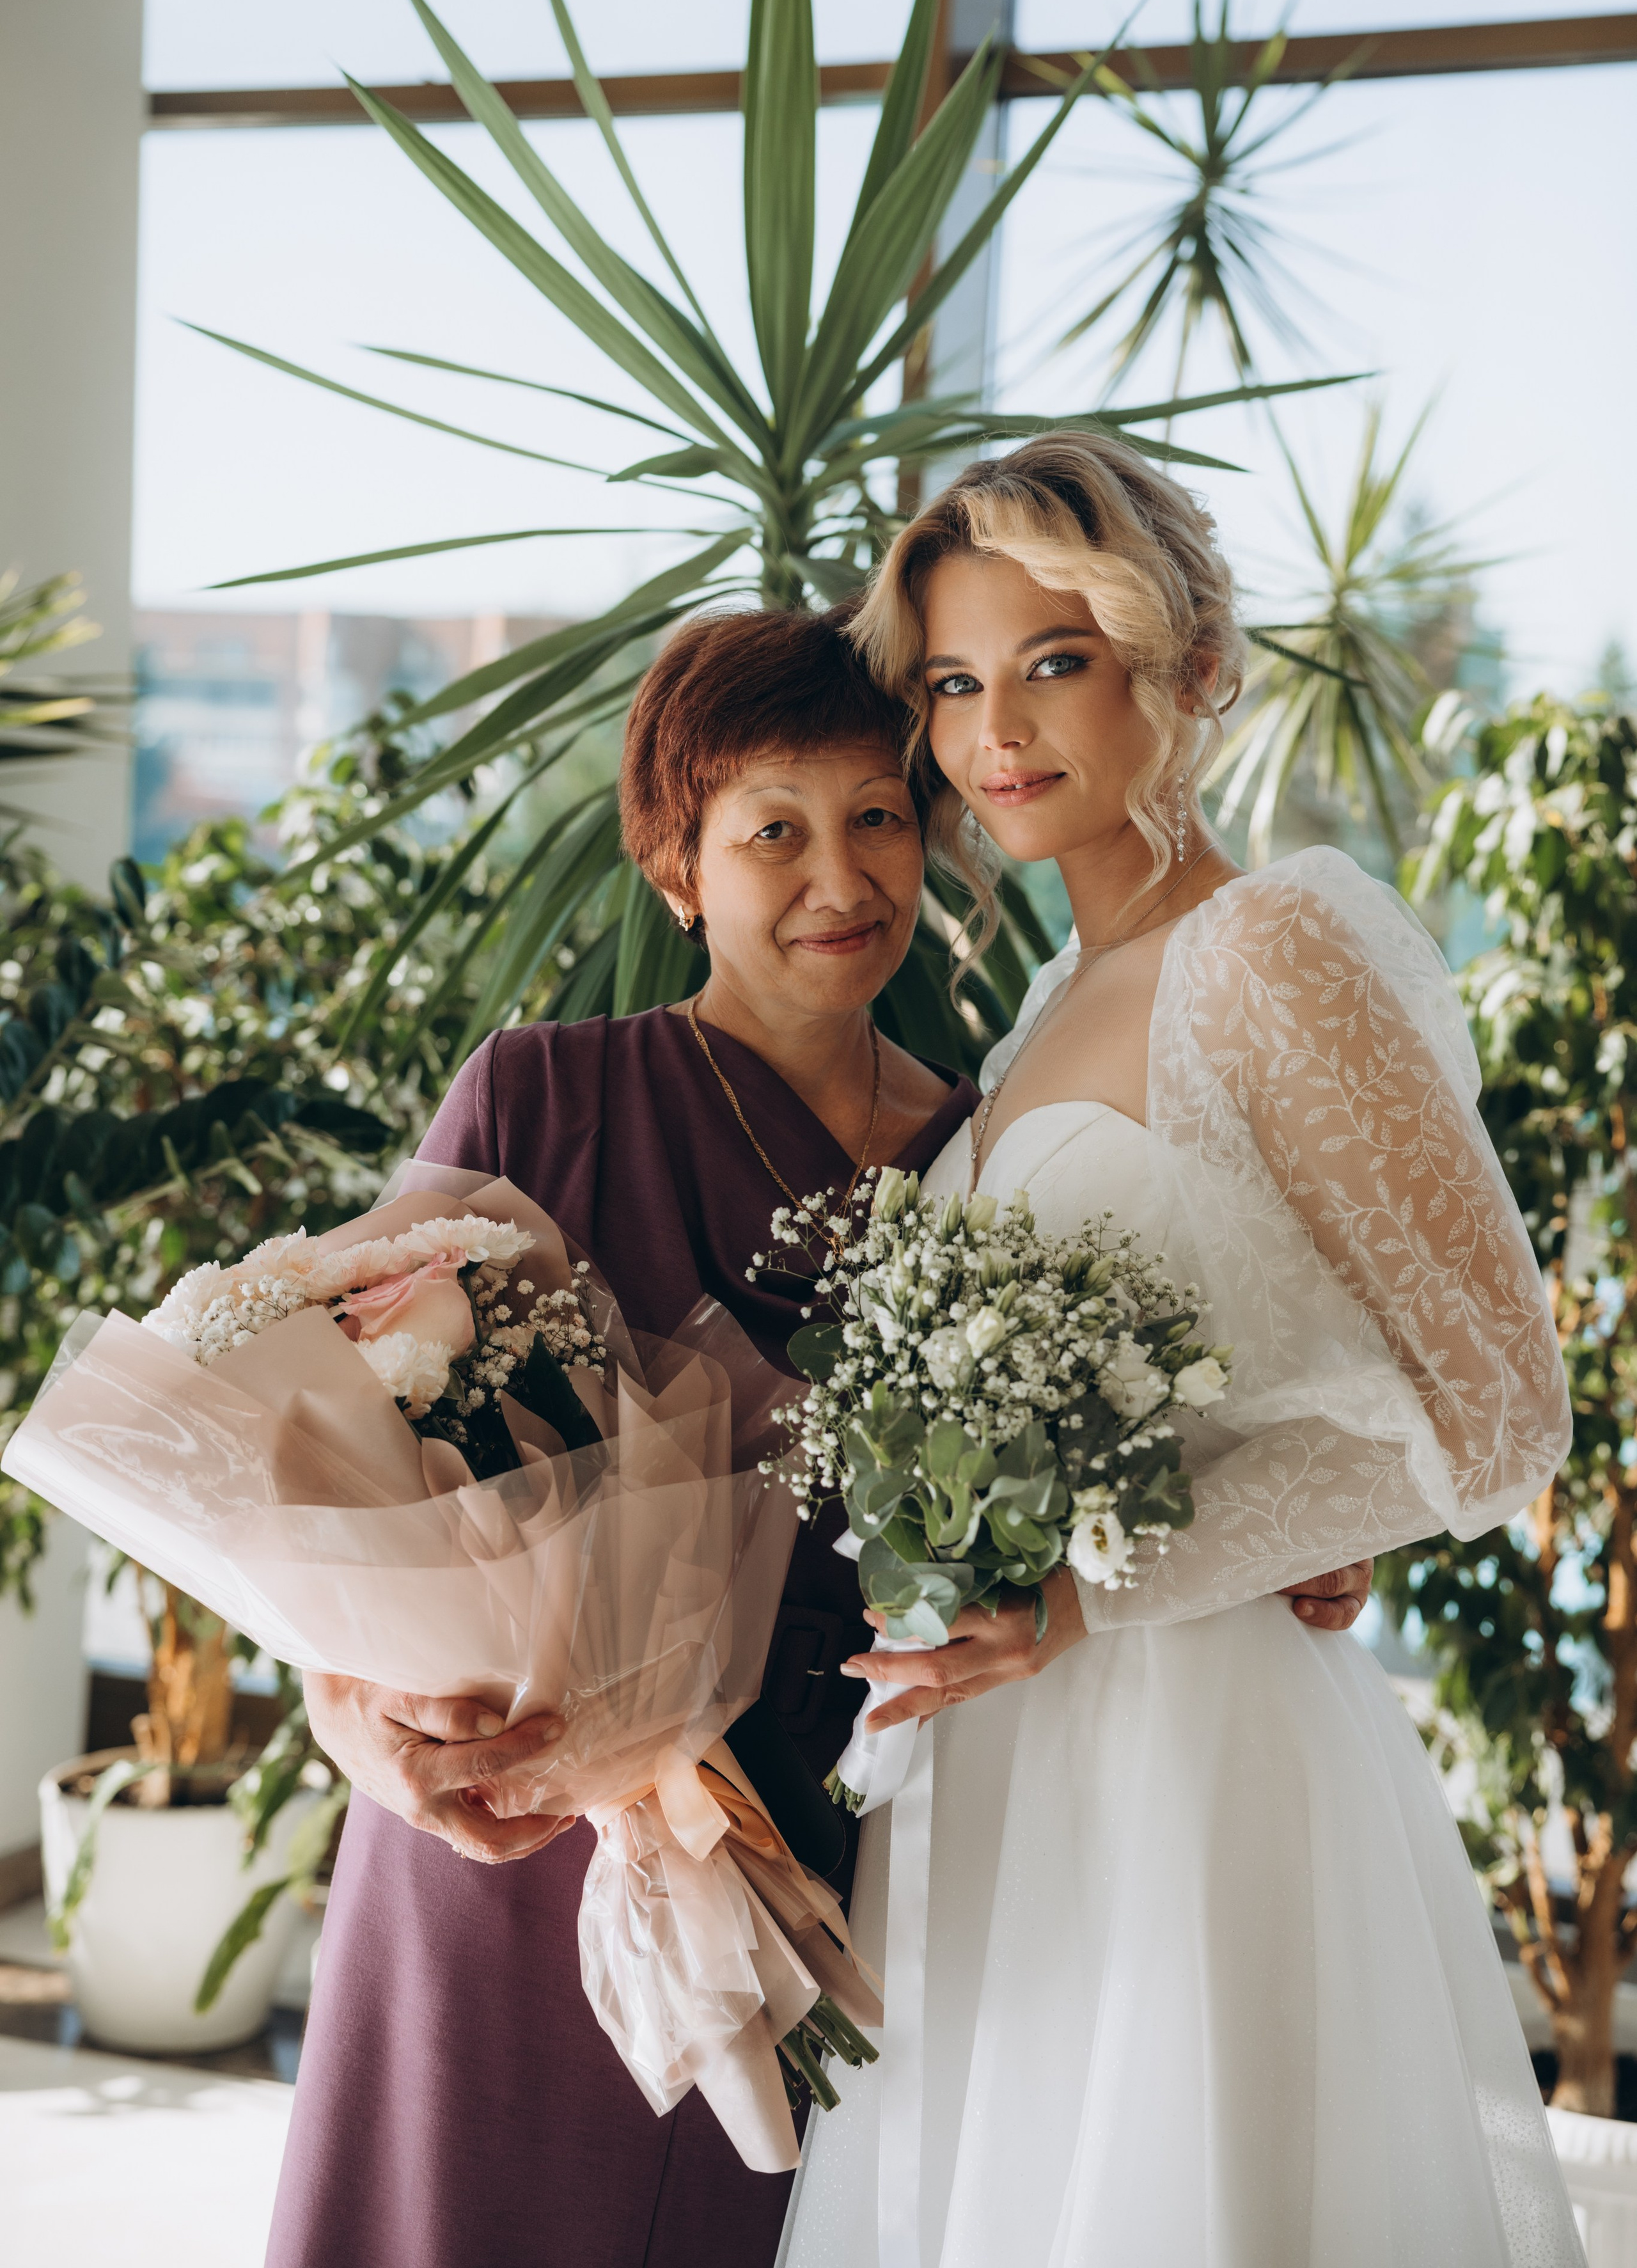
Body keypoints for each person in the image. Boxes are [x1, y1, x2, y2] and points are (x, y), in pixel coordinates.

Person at [265, 600, 1365, 2268]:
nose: (840, 880)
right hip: (504, 1846)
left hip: (805, 1859)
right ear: (674, 864)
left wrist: (1277, 1539)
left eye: (876, 819)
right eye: (772, 832)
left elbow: (1112, 1441)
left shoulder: (987, 1155)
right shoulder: (539, 1098)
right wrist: (360, 1725)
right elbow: (337, 1455)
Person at [781, 437, 1583, 2266]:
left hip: (1186, 1758)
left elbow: (1501, 1410)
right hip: (990, 1765)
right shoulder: (1046, 1006)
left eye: (1053, 663)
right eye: (958, 685)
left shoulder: (1270, 951)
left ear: (1186, 662)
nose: (999, 731)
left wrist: (1096, 1598)